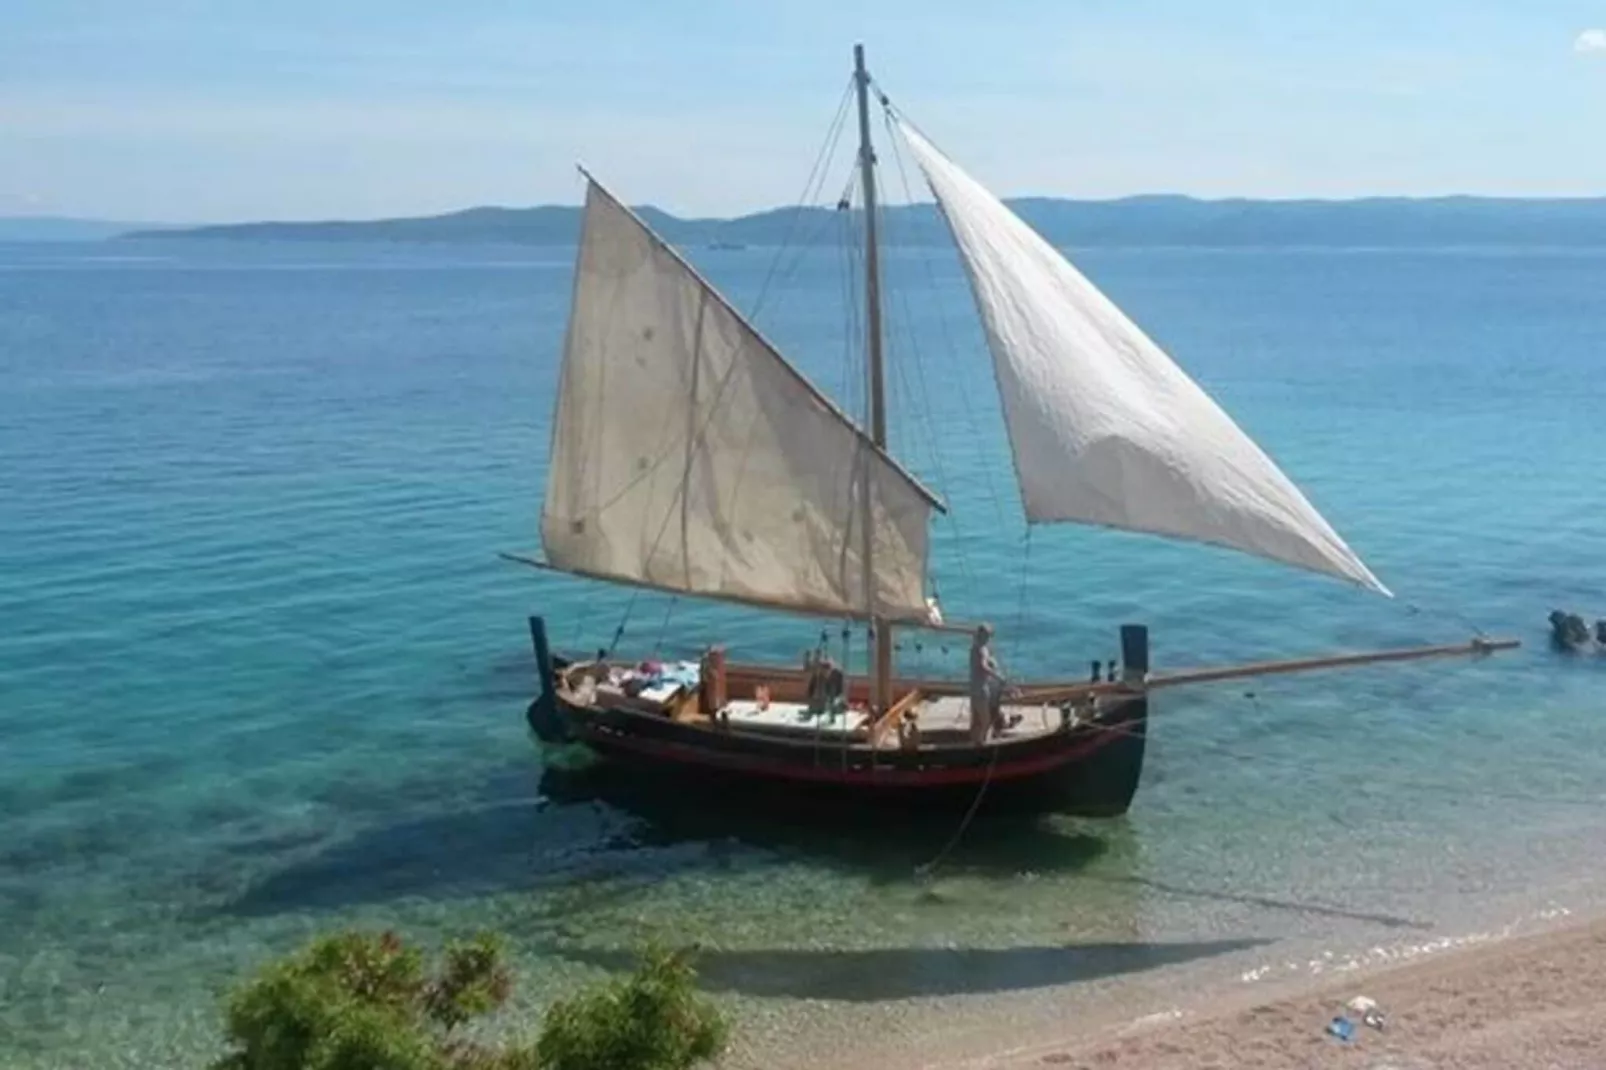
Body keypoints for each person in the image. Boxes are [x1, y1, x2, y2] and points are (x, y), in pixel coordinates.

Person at [968, 623, 1006, 744]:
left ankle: (973, 741)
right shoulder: (982, 649)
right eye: (988, 636)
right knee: (986, 720)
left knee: (976, 719)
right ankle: (981, 743)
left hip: (973, 688)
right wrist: (998, 676)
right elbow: (983, 666)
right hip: (981, 689)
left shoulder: (974, 647)